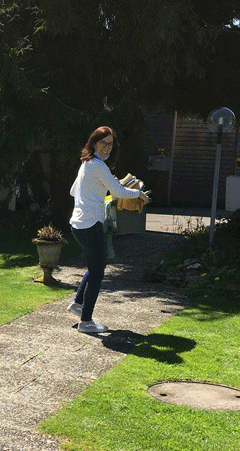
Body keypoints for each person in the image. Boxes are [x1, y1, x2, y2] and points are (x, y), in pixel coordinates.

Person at [67, 126, 149, 334]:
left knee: (95, 266)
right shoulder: (98, 165)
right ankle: (86, 322)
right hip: (91, 225)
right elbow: (118, 191)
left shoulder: (86, 163)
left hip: (77, 225)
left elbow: (74, 191)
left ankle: (77, 304)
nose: (106, 147)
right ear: (94, 143)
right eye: (102, 143)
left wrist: (98, 189)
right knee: (97, 273)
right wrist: (139, 194)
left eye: (110, 144)